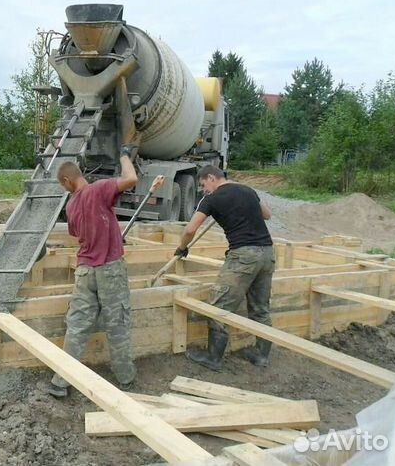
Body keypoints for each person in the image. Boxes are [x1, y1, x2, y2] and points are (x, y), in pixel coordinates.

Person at [43, 145, 160, 397]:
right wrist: (124, 154)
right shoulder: (98, 190)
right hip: (109, 269)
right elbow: (131, 178)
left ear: (67, 180)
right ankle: (126, 380)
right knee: (116, 323)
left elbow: (77, 234)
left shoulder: (72, 206)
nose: (64, 189)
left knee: (77, 326)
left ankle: (61, 382)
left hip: (85, 271)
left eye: (63, 185)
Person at [175, 165, 274, 371]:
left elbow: (190, 228)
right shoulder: (247, 190)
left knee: (218, 305)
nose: (203, 190)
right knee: (260, 307)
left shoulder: (212, 199)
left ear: (211, 177)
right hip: (267, 253)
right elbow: (267, 214)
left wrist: (182, 248)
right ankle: (261, 354)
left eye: (203, 185)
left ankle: (213, 357)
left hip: (243, 257)